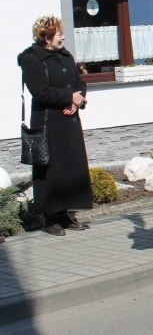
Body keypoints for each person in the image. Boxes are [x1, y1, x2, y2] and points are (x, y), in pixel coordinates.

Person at [18, 15, 91, 236]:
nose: (64, 37)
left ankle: (64, 214)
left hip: (68, 120)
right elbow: (40, 91)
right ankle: (49, 218)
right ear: (47, 37)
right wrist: (70, 97)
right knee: (50, 170)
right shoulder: (32, 59)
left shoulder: (65, 55)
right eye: (60, 34)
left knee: (69, 168)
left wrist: (77, 100)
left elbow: (79, 83)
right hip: (48, 122)